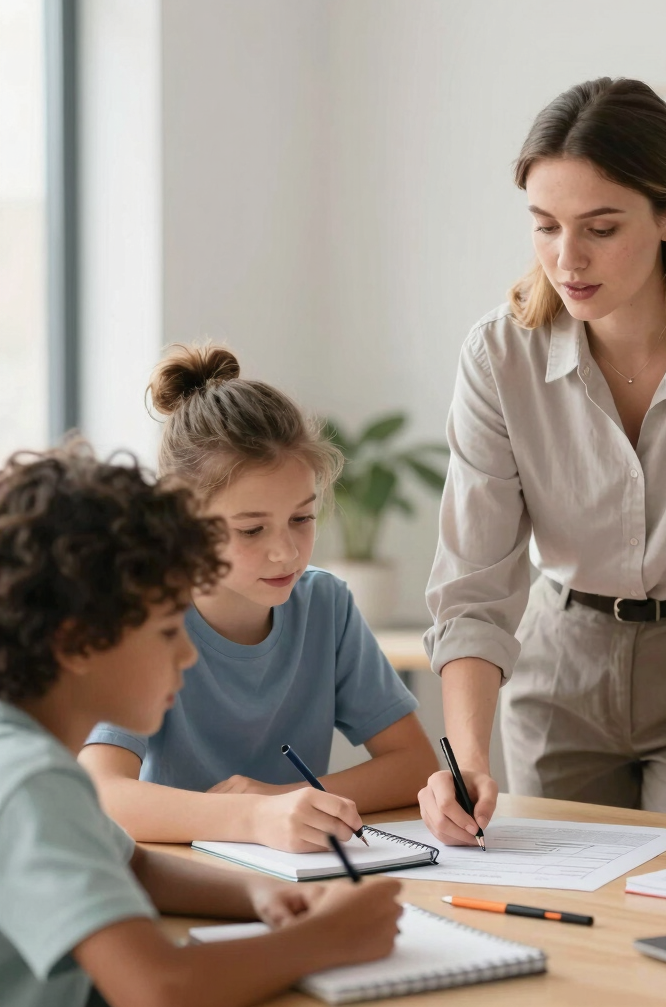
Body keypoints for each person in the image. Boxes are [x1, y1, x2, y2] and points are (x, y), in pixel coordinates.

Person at [418, 77, 666, 847]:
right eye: (545, 226)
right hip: (560, 662)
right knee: (565, 917)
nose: (568, 260)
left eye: (601, 228)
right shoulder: (500, 354)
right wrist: (465, 759)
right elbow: (475, 578)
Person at [0, 445, 402, 1007]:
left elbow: (132, 864)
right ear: (77, 643)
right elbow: (159, 988)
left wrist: (265, 892)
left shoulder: (24, 757)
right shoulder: (29, 779)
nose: (189, 655)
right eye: (168, 631)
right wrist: (326, 939)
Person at [80, 344, 435, 850]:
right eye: (251, 530)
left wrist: (282, 800)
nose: (286, 552)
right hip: (176, 877)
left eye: (302, 519)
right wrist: (249, 817)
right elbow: (101, 793)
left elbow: (415, 766)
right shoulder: (142, 615)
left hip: (297, 877)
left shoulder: (325, 605)